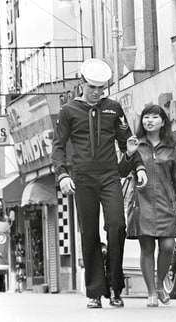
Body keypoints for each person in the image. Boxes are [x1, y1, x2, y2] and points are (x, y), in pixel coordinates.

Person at [52, 58, 147, 309]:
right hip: (82, 177)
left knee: (117, 226)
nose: (96, 93)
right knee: (90, 233)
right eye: (92, 87)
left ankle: (116, 288)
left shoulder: (114, 108)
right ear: (82, 83)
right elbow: (58, 147)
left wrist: (136, 164)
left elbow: (128, 143)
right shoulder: (68, 111)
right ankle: (94, 291)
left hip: (109, 176)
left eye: (101, 88)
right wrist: (62, 175)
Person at [119, 104, 176, 307]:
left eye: (154, 117)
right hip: (141, 203)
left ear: (162, 122)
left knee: (168, 246)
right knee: (147, 247)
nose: (149, 120)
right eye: (146, 117)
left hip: (166, 203)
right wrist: (128, 153)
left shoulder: (171, 147)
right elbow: (122, 171)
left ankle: (159, 285)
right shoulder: (135, 144)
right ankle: (151, 292)